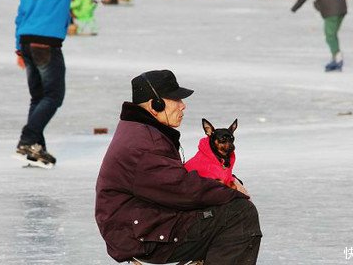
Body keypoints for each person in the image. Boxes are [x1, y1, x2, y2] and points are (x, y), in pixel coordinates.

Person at [95, 70, 262, 264]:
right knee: (240, 212)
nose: (183, 106)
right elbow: (184, 191)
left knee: (220, 204)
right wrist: (231, 192)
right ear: (155, 104)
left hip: (142, 223)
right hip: (142, 236)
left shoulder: (141, 130)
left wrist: (228, 183)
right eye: (176, 99)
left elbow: (174, 184)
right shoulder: (146, 143)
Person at [14, 0, 105, 167]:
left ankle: (35, 148)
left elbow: (20, 14)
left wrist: (18, 47)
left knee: (38, 97)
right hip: (45, 41)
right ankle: (27, 140)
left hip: (26, 39)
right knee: (53, 96)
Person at [291, 0, 353, 72]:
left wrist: (295, 7)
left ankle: (337, 58)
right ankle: (335, 58)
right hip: (341, 9)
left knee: (330, 35)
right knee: (332, 35)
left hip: (331, 10)